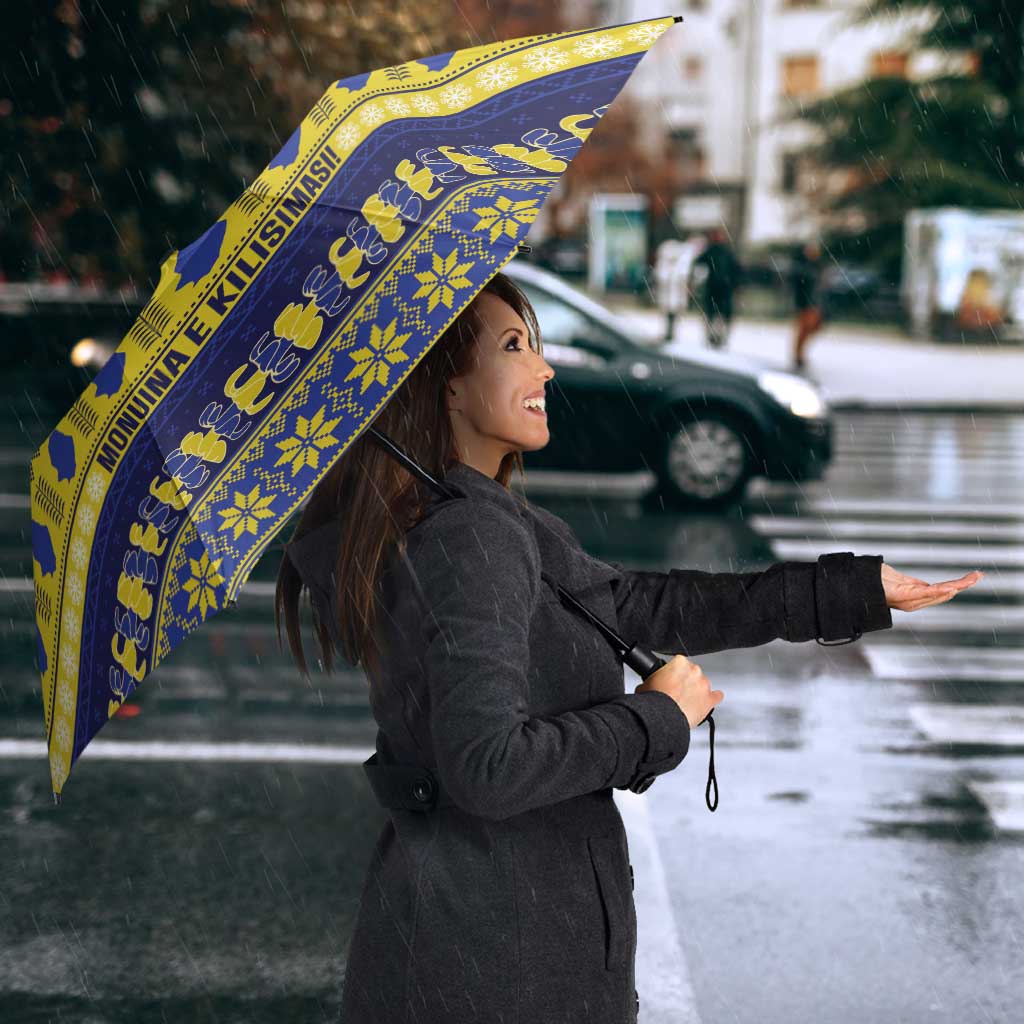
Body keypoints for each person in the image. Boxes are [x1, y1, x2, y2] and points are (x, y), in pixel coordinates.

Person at [276, 271, 980, 1024]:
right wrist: (655, 719)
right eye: (514, 346)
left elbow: (642, 605)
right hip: (497, 963)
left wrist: (850, 590)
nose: (544, 368)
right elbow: (487, 768)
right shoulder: (470, 536)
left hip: (481, 942)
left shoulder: (479, 519)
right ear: (446, 386)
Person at [692, 226, 742, 349]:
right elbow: (698, 264)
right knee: (713, 314)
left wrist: (735, 284)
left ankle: (719, 337)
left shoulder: (725, 252)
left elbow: (736, 270)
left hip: (723, 288)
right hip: (715, 288)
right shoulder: (712, 251)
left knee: (720, 315)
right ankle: (713, 337)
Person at [790, 239, 826, 371]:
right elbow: (799, 286)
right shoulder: (802, 267)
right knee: (804, 329)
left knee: (812, 328)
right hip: (805, 303)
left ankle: (800, 354)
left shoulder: (817, 266)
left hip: (814, 303)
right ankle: (798, 355)